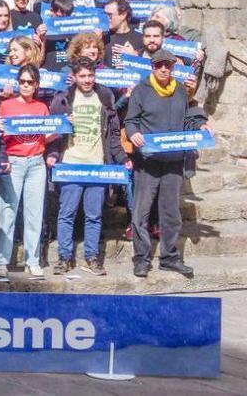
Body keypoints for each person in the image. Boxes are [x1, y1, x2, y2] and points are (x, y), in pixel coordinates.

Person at [124, 49, 212, 278]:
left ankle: (170, 257)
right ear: (152, 67)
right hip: (148, 162)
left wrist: (200, 127)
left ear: (173, 68)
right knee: (141, 213)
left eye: (168, 66)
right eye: (160, 65)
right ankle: (141, 259)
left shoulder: (181, 90)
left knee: (171, 213)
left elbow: (190, 117)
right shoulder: (141, 91)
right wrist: (133, 133)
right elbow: (130, 120)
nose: (164, 69)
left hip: (173, 162)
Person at [47, 57, 130, 276]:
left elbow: (113, 134)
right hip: (71, 165)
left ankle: (92, 258)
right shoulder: (63, 99)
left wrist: (122, 158)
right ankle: (64, 258)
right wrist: (54, 152)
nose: (87, 80)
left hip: (96, 166)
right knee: (66, 214)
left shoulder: (104, 97)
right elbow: (53, 134)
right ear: (74, 77)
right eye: (82, 76)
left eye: (90, 75)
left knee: (94, 215)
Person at [0, 64, 51, 279]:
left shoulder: (42, 107)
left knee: (34, 214)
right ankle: (1, 261)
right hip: (13, 162)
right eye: (22, 82)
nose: (25, 86)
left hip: (36, 162)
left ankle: (32, 260)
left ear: (36, 85)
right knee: (8, 212)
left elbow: (48, 134)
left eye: (30, 82)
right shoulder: (6, 105)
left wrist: (64, 126)